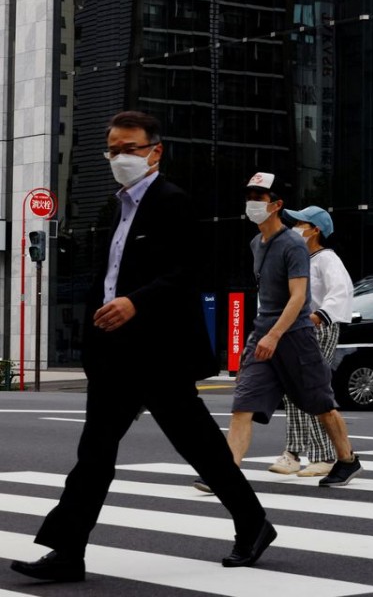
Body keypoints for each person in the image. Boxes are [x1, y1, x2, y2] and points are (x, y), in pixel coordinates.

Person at [10, 111, 276, 583]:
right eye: (112, 149)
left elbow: (189, 271)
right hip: (116, 352)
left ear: (156, 151)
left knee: (198, 446)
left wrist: (137, 303)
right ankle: (68, 551)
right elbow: (107, 278)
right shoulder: (114, 208)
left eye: (129, 148)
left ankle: (253, 523)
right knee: (94, 453)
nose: (119, 158)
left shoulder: (173, 202)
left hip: (159, 352)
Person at [195, 173, 361, 490]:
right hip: (263, 333)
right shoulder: (256, 243)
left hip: (296, 336)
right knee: (243, 405)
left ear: (276, 205)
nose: (252, 203)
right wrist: (262, 334)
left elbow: (299, 296)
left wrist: (275, 334)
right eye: (249, 196)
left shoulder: (294, 245)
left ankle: (347, 460)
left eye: (259, 197)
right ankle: (224, 474)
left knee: (321, 404)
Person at [268, 206, 353, 477]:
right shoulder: (299, 257)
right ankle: (293, 452)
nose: (294, 227)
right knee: (292, 391)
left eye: (300, 223)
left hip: (318, 329)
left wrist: (318, 317)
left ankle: (323, 456)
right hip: (295, 330)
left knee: (313, 389)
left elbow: (341, 291)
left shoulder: (327, 258)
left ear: (315, 229)